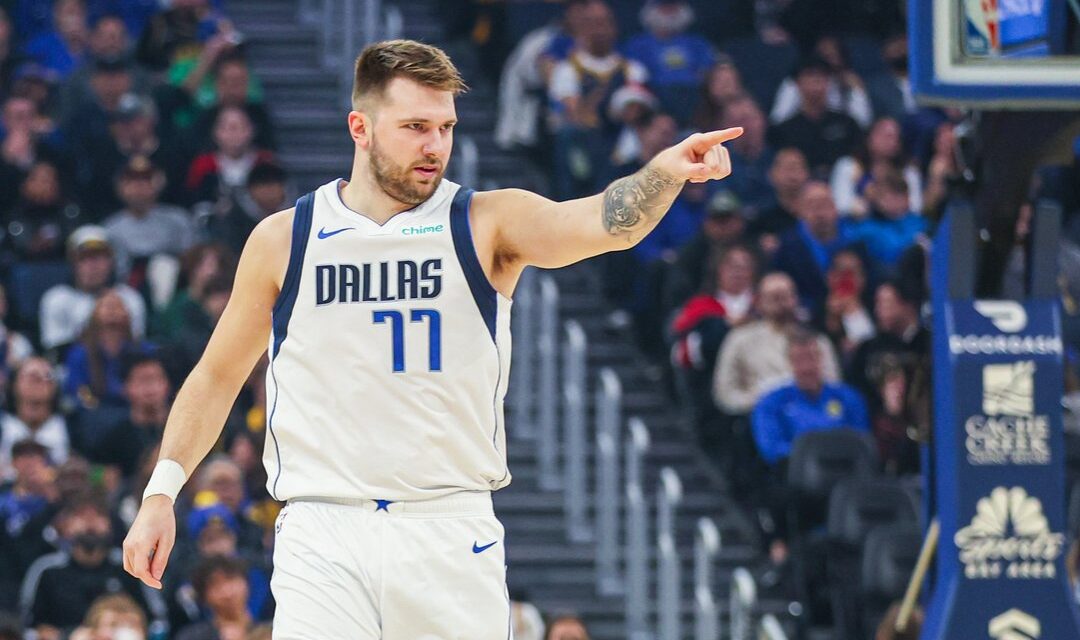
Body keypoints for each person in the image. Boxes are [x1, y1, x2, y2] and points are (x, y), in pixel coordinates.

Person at [123, 38, 742, 639]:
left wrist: (665, 174)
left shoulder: (485, 222)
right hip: (322, 530)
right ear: (361, 128)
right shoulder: (286, 238)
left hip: (448, 528)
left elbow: (603, 223)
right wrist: (160, 494)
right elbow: (217, 376)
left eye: (445, 128)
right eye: (416, 127)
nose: (435, 146)